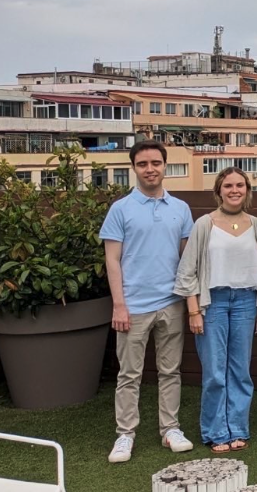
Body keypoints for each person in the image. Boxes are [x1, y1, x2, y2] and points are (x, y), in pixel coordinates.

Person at [101, 140, 196, 463]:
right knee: (129, 375)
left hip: (172, 303)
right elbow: (112, 260)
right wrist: (119, 305)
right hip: (133, 306)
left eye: (155, 163)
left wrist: (191, 302)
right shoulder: (120, 209)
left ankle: (170, 429)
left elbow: (187, 260)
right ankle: (125, 435)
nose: (150, 169)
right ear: (134, 168)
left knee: (171, 371)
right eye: (143, 164)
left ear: (164, 166)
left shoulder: (181, 208)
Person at [174, 167, 257, 453]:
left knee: (240, 371)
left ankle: (238, 429)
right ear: (218, 191)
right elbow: (187, 270)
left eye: (240, 185)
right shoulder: (204, 224)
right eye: (228, 185)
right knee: (215, 372)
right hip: (212, 303)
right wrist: (193, 311)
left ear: (247, 190)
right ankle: (216, 432)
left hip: (246, 302)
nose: (234, 190)